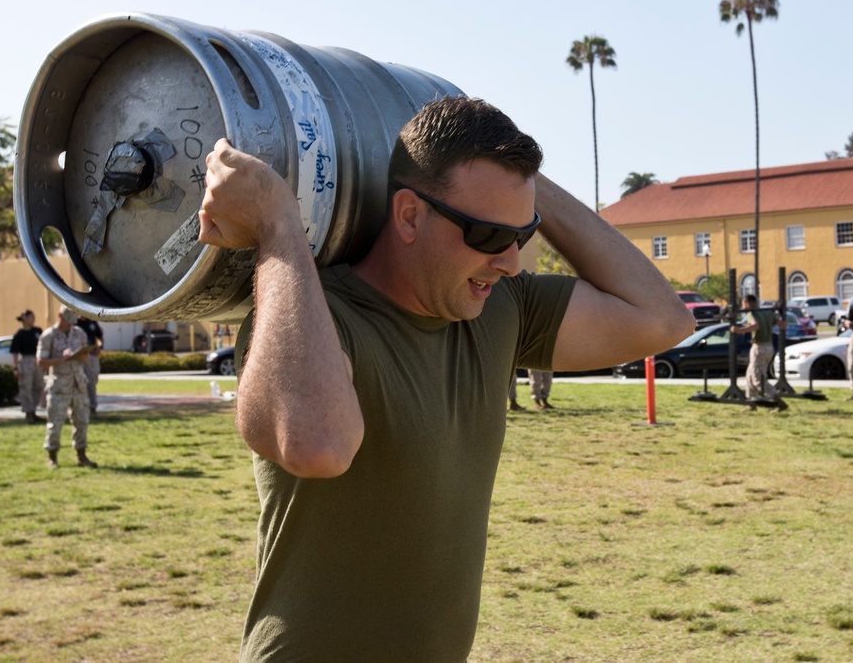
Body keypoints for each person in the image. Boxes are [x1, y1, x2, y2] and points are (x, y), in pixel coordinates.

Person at [198, 96, 694, 661]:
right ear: (409, 215)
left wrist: (525, 188)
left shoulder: (500, 312)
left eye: (522, 234)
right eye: (487, 235)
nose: (509, 261)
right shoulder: (312, 316)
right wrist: (278, 226)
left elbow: (662, 318)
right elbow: (316, 446)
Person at [36, 305, 97, 469]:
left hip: (78, 384)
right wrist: (61, 359)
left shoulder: (79, 333)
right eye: (68, 321)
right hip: (59, 386)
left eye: (72, 321)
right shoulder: (48, 336)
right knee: (55, 422)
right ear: (59, 316)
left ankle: (81, 456)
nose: (70, 324)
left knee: (82, 421)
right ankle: (52, 458)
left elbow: (86, 359)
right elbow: (40, 361)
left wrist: (83, 356)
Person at [731, 294, 786, 412]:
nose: (742, 307)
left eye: (743, 304)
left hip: (759, 348)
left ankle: (779, 402)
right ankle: (751, 403)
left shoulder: (752, 313)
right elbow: (782, 324)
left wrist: (739, 330)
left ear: (747, 303)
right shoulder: (766, 312)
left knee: (757, 378)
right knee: (750, 374)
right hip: (769, 347)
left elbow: (756, 326)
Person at [10, 309, 45, 423]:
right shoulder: (19, 335)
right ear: (24, 318)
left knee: (38, 386)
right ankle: (28, 413)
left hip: (37, 360)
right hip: (26, 361)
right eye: (31, 317)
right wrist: (15, 368)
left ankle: (33, 411)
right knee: (26, 387)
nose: (33, 319)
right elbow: (15, 353)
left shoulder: (37, 331)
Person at [76, 315, 104, 414]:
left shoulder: (92, 323)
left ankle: (91, 406)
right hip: (79, 357)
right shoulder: (75, 323)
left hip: (92, 356)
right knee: (83, 382)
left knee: (93, 380)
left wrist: (100, 347)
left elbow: (100, 335)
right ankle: (87, 407)